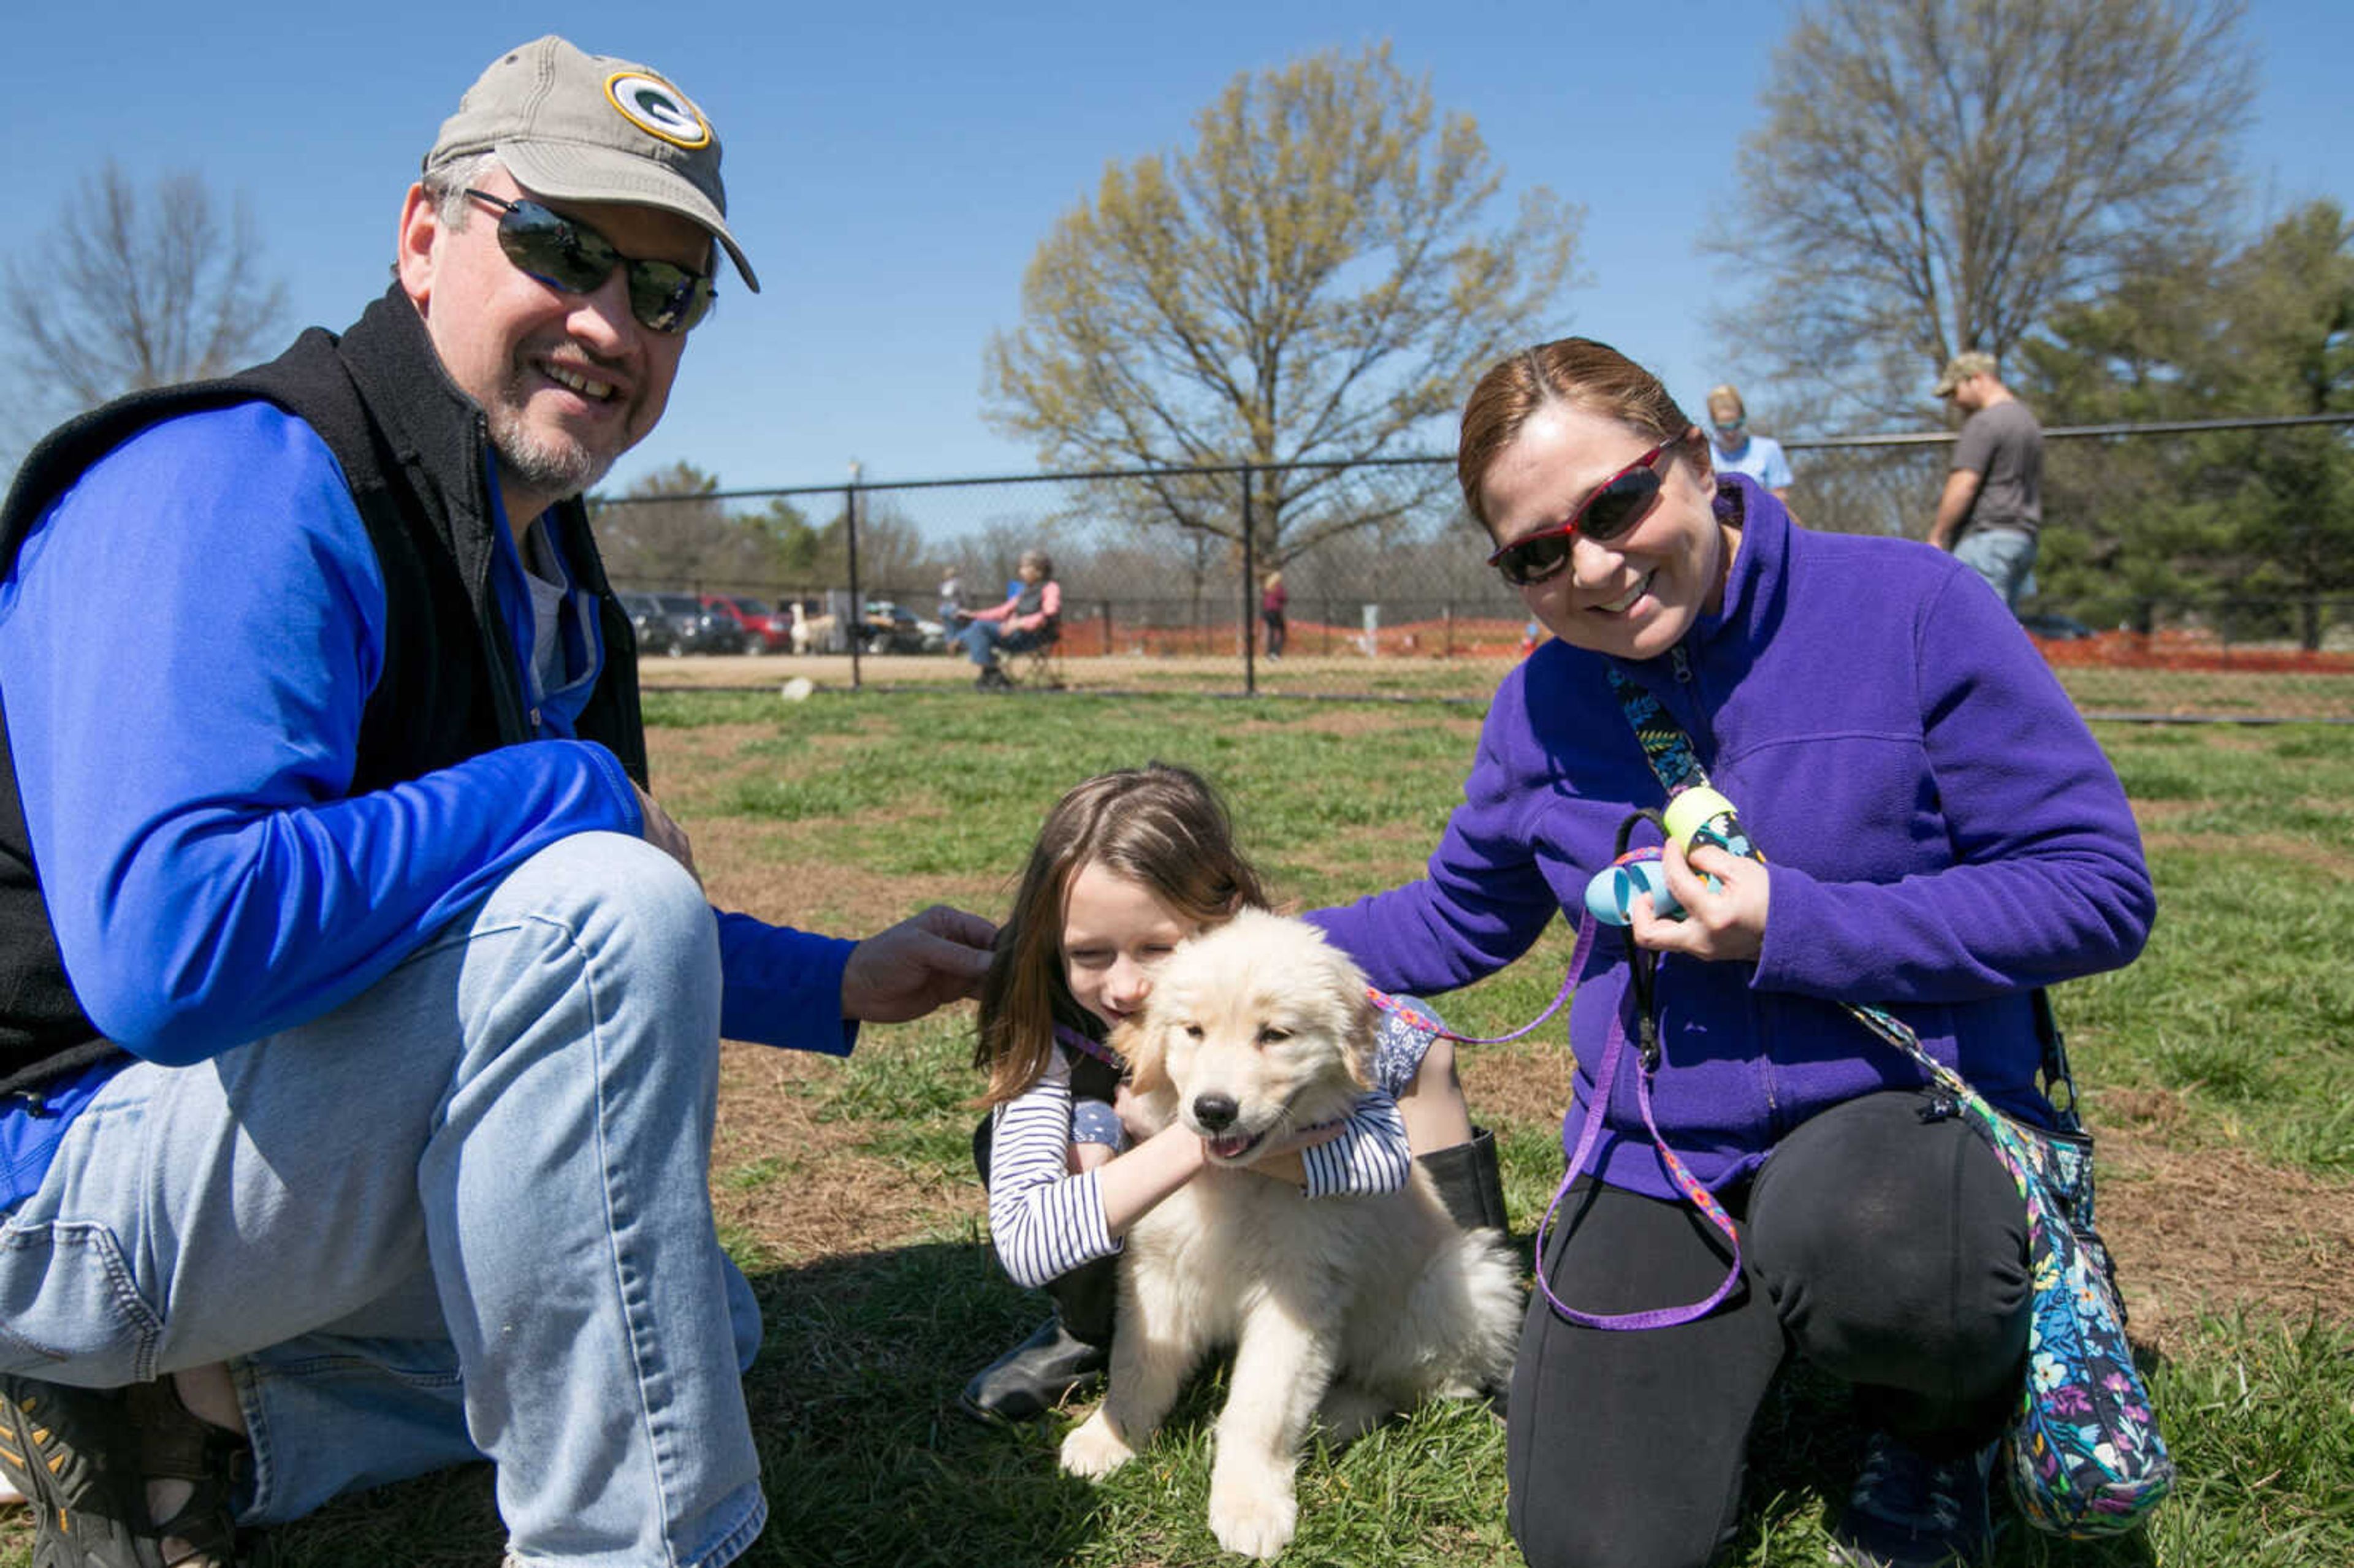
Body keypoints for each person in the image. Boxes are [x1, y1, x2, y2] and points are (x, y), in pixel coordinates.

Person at [0, 36, 994, 1568]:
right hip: (52, 1163)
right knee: (609, 1025)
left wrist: (838, 981)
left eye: (664, 291)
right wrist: (562, 782)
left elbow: (536, 933)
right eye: (562, 247)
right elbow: (171, 950)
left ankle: (205, 1418)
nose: (610, 320)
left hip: (225, 1156)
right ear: (423, 237)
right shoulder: (235, 479)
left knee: (693, 1326)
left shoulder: (531, 553)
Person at [1306, 339, 2152, 1568]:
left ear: (1699, 464)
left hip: (1894, 1131)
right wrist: (1228, 937)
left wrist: (1799, 923)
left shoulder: (1914, 608)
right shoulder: (1539, 706)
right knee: (1592, 1546)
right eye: (1539, 552)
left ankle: (1936, 1428)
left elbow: (2098, 890)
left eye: (1619, 503)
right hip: (1660, 1149)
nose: (1594, 565)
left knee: (1896, 1252)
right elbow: (1457, 918)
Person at [959, 765, 1507, 1423]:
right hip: (1155, 1236)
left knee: (1419, 1038)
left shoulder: (1263, 972)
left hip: (1288, 1238)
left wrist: (1216, 1138)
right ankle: (1090, 1328)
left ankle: (1462, 1334)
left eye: (1157, 947)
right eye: (1091, 953)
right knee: (1051, 1138)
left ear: (1223, 921)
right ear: (1053, 945)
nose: (1127, 985)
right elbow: (1027, 1239)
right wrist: (1154, 1136)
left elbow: (1383, 1158)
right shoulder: (1046, 1031)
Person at [1927, 351, 2045, 609]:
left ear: (1977, 379)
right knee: (2005, 630)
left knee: (1975, 630)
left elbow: (1965, 484)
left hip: (1986, 542)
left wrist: (1938, 534)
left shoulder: (1985, 423)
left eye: (1955, 391)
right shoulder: (2028, 422)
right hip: (2022, 539)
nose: (1954, 401)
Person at [954, 549, 1061, 689]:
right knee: (976, 627)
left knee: (979, 629)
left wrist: (1020, 623)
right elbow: (1001, 612)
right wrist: (973, 615)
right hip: (1015, 634)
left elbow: (1050, 615)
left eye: (1025, 567)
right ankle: (991, 673)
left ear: (1039, 570)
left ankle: (991, 673)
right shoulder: (1025, 592)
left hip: (1034, 636)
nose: (1021, 571)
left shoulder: (1051, 588)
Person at [1702, 383, 1793, 501]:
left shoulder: (1769, 449)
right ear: (1713, 423)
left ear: (1743, 418)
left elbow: (1780, 496)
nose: (1730, 433)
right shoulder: (1705, 456)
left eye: (1736, 425)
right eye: (1723, 427)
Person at [1260, 570, 1288, 659]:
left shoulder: (1267, 588)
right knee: (1282, 632)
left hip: (1267, 612)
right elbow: (1284, 598)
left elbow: (1265, 598)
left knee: (1271, 632)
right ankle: (1276, 652)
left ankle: (1270, 653)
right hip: (1275, 612)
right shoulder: (1278, 588)